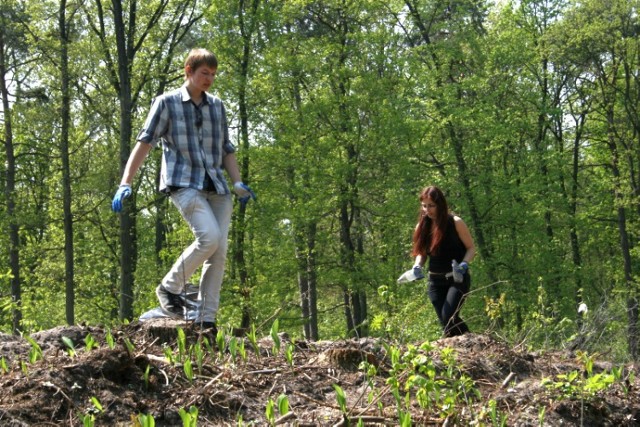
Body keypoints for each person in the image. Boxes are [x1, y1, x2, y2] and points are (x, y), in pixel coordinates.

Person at [111, 48, 255, 335]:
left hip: (217, 186)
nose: (209, 79)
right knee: (209, 238)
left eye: (213, 74)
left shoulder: (217, 106)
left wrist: (237, 182)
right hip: (184, 183)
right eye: (204, 73)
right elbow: (145, 142)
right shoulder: (166, 103)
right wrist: (125, 182)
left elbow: (226, 148)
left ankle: (206, 318)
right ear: (188, 71)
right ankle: (170, 287)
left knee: (220, 251)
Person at [408, 186, 475, 337]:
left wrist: (464, 264)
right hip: (435, 283)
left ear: (440, 205)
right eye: (424, 206)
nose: (427, 210)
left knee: (448, 318)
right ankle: (471, 346)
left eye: (431, 205)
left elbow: (471, 248)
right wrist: (417, 266)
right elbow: (421, 253)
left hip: (457, 279)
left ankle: (471, 346)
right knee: (448, 324)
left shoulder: (455, 222)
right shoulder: (422, 226)